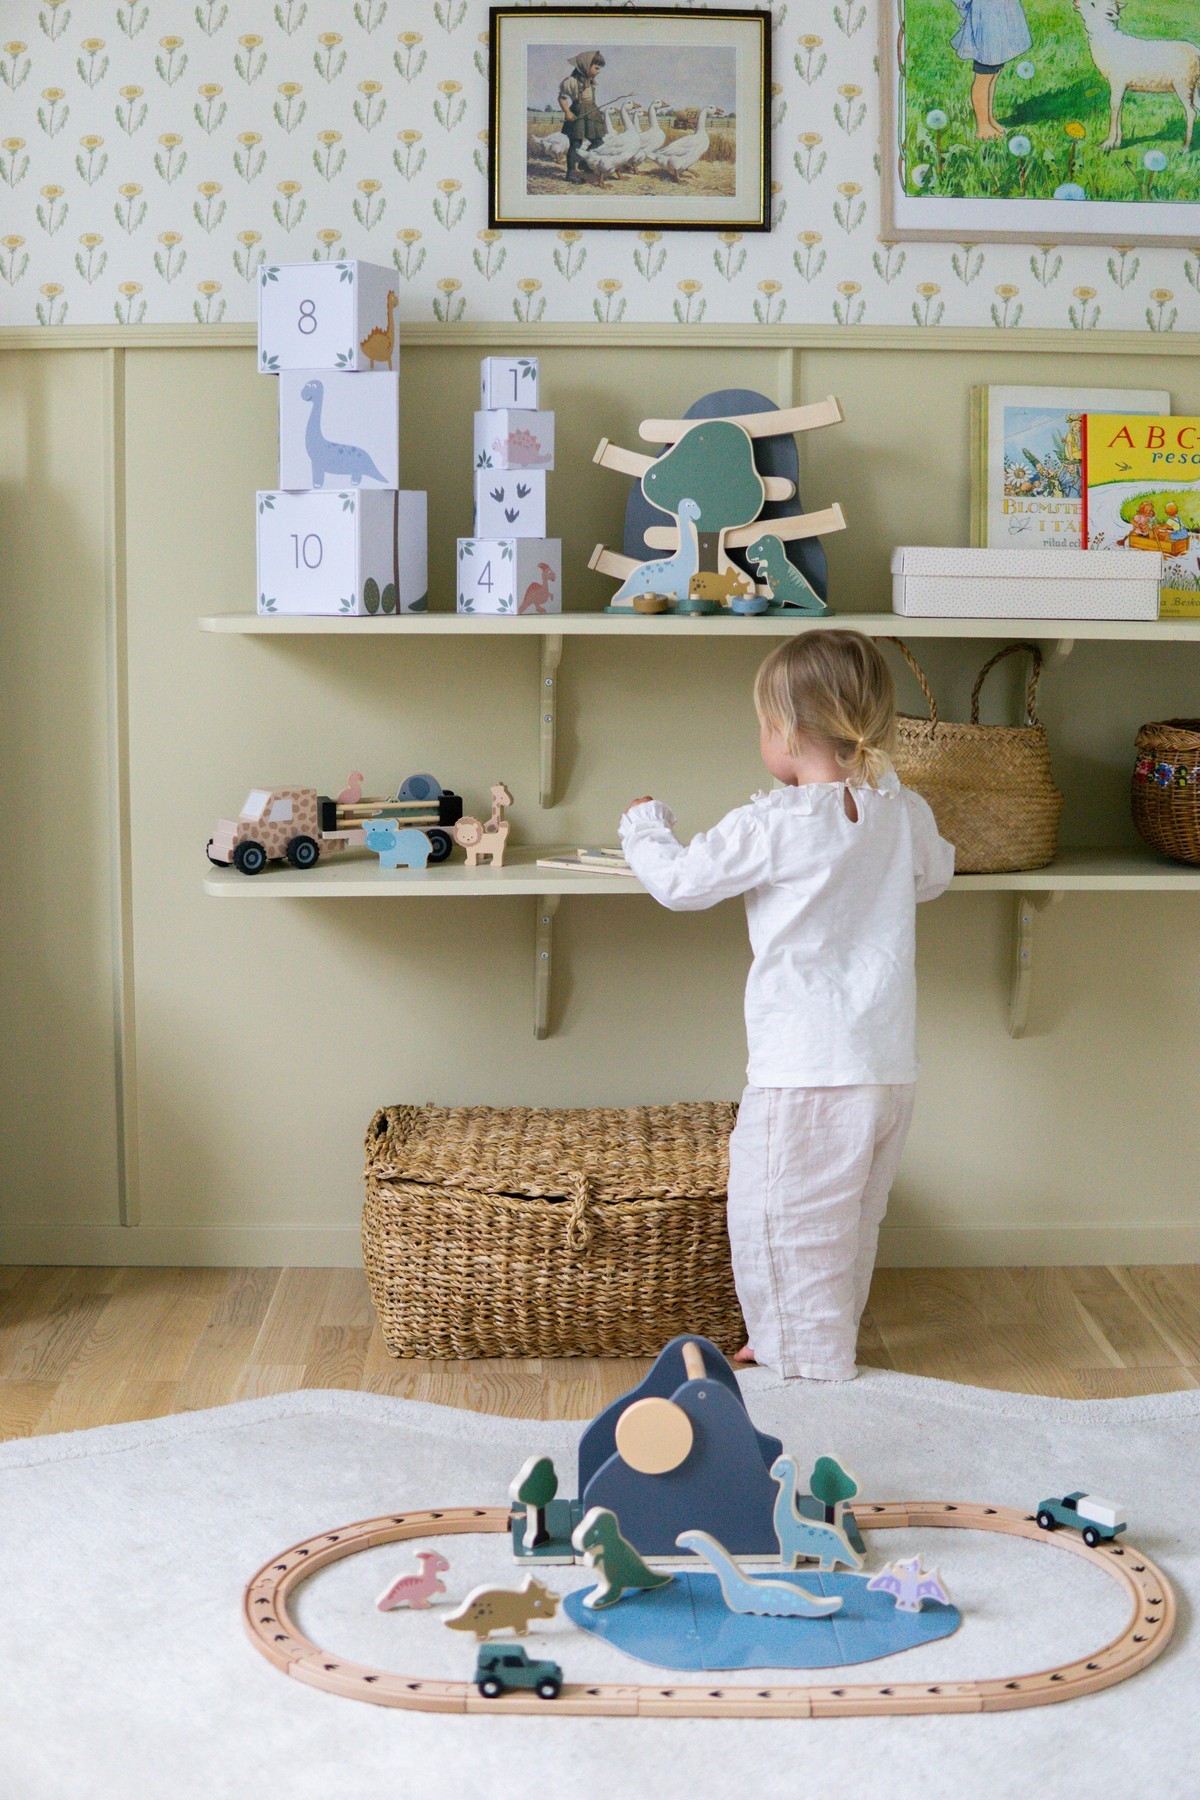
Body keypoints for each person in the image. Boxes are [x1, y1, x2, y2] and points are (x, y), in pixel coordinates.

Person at [619, 632, 955, 1381]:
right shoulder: (902, 814)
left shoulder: (772, 824)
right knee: (849, 1225)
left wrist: (644, 826)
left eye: (763, 726)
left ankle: (807, 1370)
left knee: (779, 1218)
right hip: (886, 1068)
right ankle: (807, 1341)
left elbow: (679, 883)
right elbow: (935, 876)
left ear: (788, 733)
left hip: (805, 1070)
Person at [949, 0, 1032, 141]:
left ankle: (989, 118)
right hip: (986, 23)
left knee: (994, 73)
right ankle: (982, 126)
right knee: (984, 75)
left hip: (999, 19)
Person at [558, 50, 606, 184]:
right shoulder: (571, 82)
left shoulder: (591, 81)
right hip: (578, 114)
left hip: (592, 114)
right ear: (585, 66)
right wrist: (567, 112)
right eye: (596, 68)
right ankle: (571, 173)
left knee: (598, 142)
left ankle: (584, 163)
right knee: (576, 144)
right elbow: (562, 98)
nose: (598, 71)